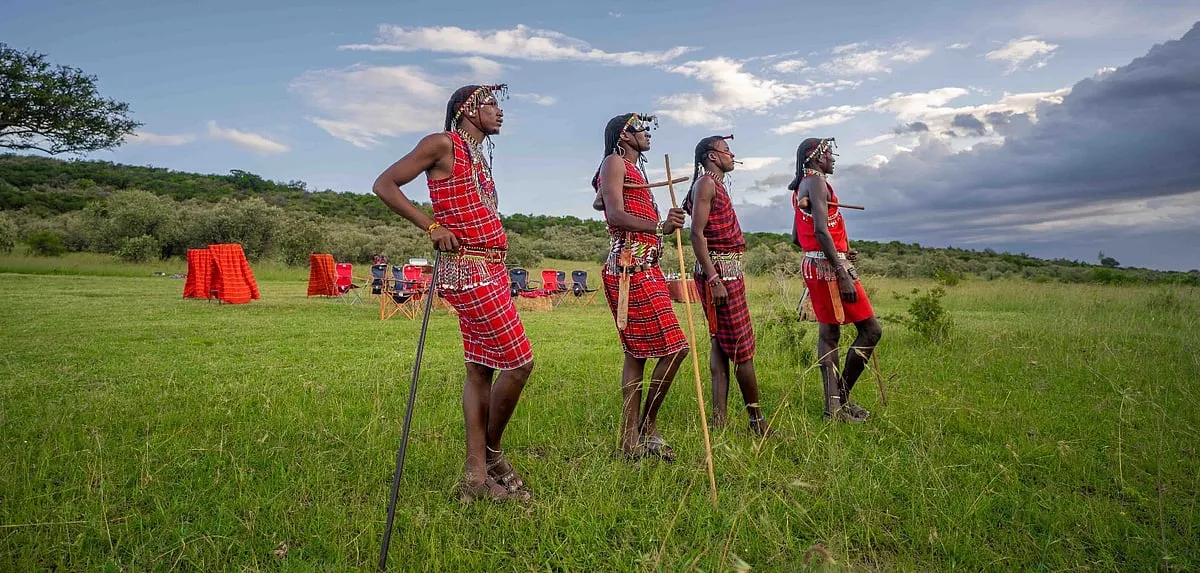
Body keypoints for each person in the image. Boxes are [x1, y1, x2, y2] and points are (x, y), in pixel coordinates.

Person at [372, 84, 534, 502]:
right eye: (492, 104)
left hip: (493, 268)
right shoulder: (442, 143)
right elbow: (385, 184)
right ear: (467, 109)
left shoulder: (480, 157)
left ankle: (476, 480)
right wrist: (431, 226)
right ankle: (492, 455)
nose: (500, 112)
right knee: (519, 363)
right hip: (468, 270)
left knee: (481, 369)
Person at [591, 113, 689, 461]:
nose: (647, 134)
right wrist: (660, 225)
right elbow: (615, 215)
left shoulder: (633, 169)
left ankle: (630, 437)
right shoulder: (614, 161)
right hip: (629, 269)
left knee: (636, 352)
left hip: (649, 267)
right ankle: (646, 425)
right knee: (676, 347)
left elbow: (602, 200)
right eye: (641, 129)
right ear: (624, 134)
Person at [789, 137, 882, 423]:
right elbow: (819, 229)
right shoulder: (815, 183)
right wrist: (840, 269)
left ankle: (837, 404)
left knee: (830, 336)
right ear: (815, 157)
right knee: (871, 331)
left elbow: (796, 237)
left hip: (819, 264)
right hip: (829, 269)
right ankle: (837, 403)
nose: (833, 158)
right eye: (829, 153)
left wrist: (841, 249)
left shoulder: (803, 187)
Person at [681, 135, 769, 436]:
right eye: (726, 150)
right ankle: (757, 422)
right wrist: (715, 278)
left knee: (720, 341)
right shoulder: (706, 184)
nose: (732, 155)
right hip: (720, 274)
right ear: (712, 156)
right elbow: (696, 234)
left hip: (724, 272)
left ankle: (719, 421)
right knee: (742, 351)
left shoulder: (714, 185)